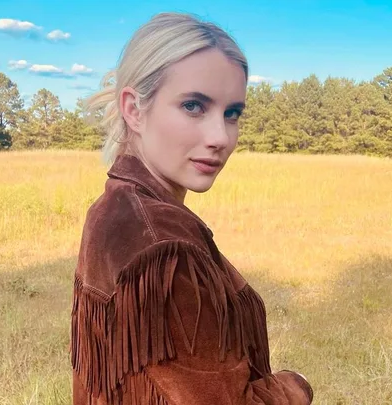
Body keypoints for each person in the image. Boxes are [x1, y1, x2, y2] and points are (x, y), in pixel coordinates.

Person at [70, 12, 314, 405]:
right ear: (134, 109)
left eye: (232, 113)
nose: (221, 137)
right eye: (194, 106)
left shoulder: (114, 208)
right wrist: (295, 385)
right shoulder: (163, 246)